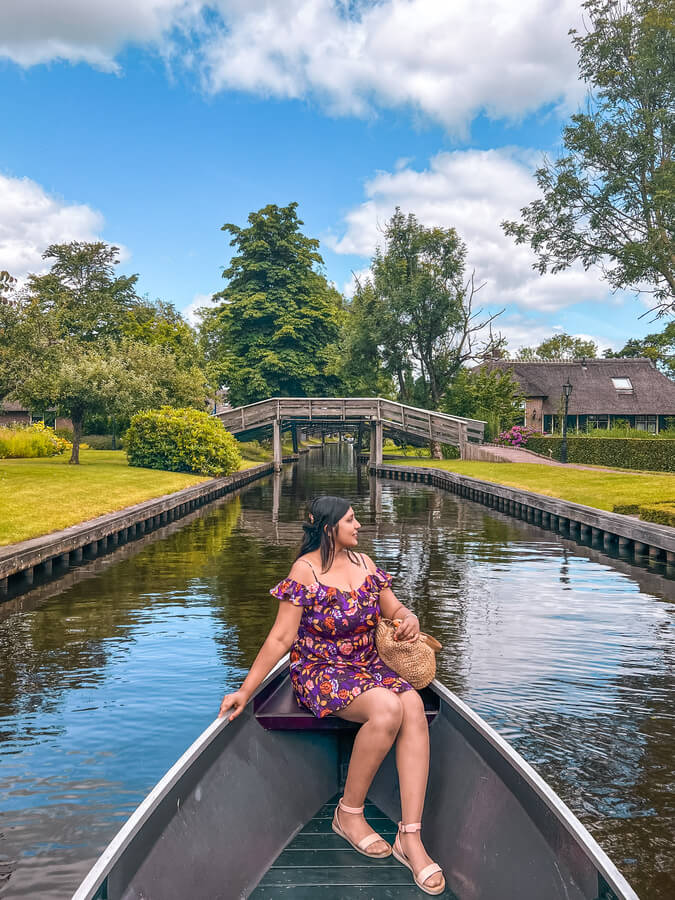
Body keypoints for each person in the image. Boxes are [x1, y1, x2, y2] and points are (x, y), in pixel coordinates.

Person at [218, 495, 445, 895]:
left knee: (410, 702)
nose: (359, 526)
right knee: (390, 708)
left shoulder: (365, 565)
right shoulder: (304, 572)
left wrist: (409, 620)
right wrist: (245, 689)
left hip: (365, 666)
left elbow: (396, 611)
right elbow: (282, 638)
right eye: (351, 520)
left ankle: (410, 836)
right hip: (319, 671)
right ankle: (348, 813)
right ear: (329, 528)